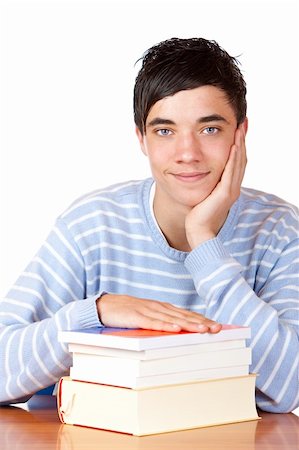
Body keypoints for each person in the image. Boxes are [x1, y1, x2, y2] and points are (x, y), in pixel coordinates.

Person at [0, 38, 298, 412]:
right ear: (141, 138)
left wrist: (204, 243)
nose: (187, 153)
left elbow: (290, 386)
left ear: (240, 133)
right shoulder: (94, 224)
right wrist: (95, 314)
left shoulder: (280, 229)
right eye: (164, 131)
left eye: (209, 129)